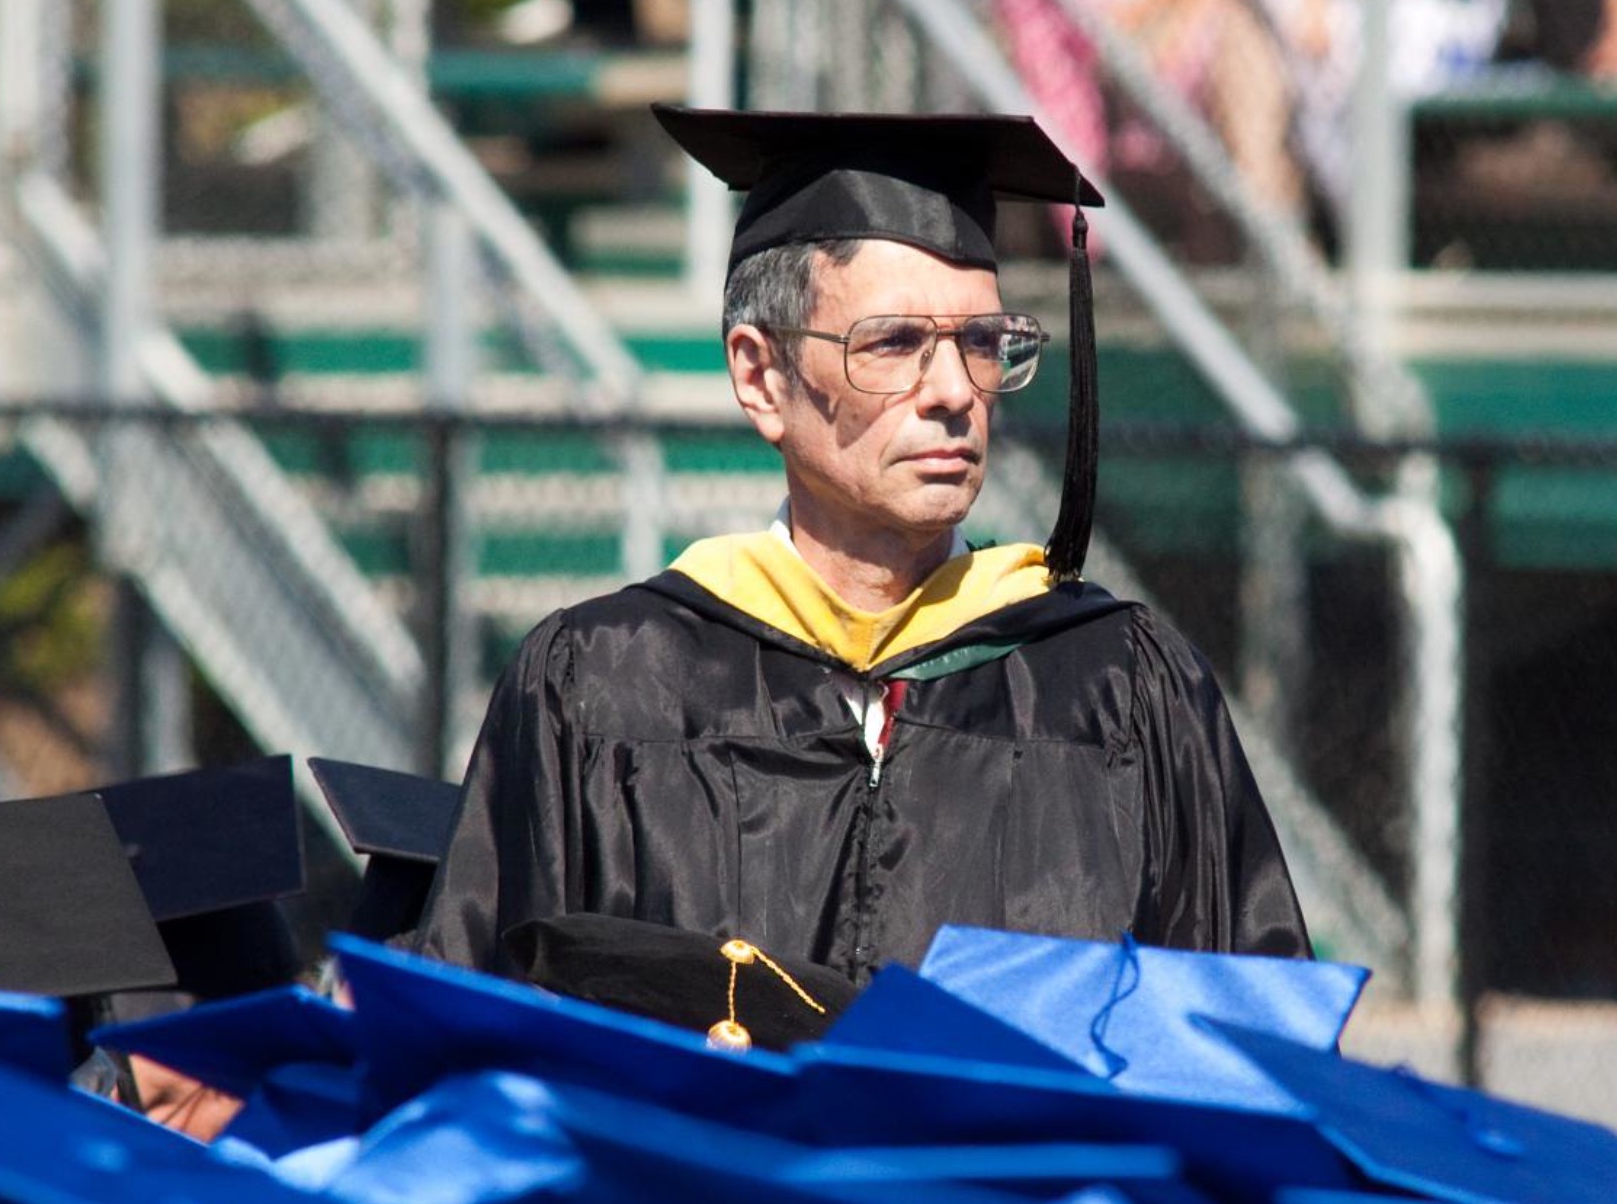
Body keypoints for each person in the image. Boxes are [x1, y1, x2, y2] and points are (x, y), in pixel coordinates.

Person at [414, 104, 1311, 988]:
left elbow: (1250, 1043)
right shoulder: (602, 685)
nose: (955, 391)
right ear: (760, 375)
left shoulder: (1118, 688)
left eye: (984, 343)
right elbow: (482, 1039)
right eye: (894, 344)